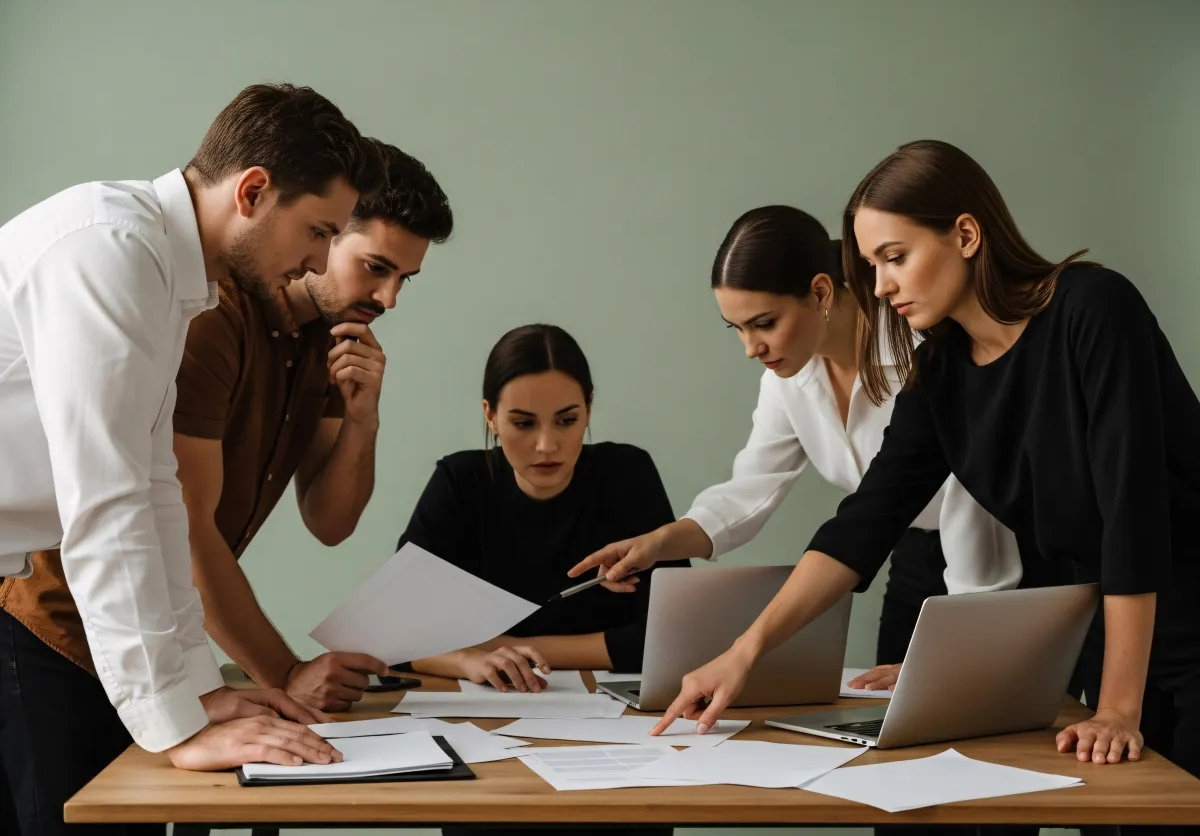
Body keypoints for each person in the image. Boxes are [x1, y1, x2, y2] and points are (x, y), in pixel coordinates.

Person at [647, 140, 1200, 820]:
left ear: (966, 235)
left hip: (1179, 619)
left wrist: (1118, 706)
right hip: (1106, 637)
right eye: (870, 265)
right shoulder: (940, 371)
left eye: (894, 258)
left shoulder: (1094, 309)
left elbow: (1132, 513)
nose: (878, 287)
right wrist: (744, 652)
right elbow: (862, 526)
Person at [0, 83, 382, 836]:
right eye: (317, 231)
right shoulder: (110, 252)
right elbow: (104, 508)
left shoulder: (169, 278)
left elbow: (155, 496)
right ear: (252, 191)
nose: (317, 259)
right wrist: (175, 724)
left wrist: (197, 690)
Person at [0, 141, 454, 719]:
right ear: (330, 232)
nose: (388, 298)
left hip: (152, 641)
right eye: (376, 267)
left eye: (404, 279)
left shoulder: (330, 339)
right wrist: (285, 674)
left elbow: (330, 522)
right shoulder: (211, 316)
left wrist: (364, 419)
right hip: (60, 628)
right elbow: (183, 525)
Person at [574, 206, 1025, 689]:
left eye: (764, 323)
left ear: (821, 292)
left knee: (983, 708)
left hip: (1000, 552)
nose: (751, 348)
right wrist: (659, 543)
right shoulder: (789, 376)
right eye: (738, 329)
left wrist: (956, 643)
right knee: (890, 717)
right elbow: (750, 490)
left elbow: (968, 493)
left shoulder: (923, 347)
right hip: (910, 552)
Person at [398, 324, 687, 836]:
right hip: (488, 751)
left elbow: (673, 639)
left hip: (623, 753)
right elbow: (394, 634)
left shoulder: (628, 474)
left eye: (567, 420)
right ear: (489, 414)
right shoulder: (459, 483)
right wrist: (469, 656)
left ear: (589, 410)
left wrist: (513, 647)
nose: (547, 445)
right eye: (522, 423)